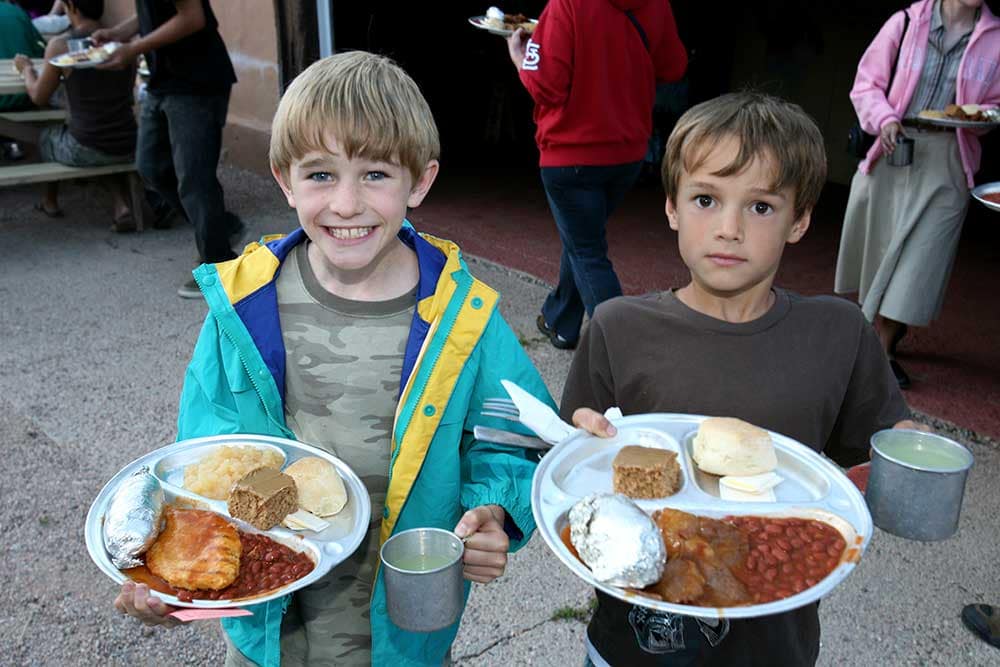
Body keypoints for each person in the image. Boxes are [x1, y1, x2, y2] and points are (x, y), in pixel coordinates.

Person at [112, 51, 553, 666]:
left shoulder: (464, 320)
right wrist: (170, 575)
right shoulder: (242, 308)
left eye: (375, 174)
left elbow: (516, 439)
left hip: (404, 633)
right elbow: (202, 460)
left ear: (419, 182)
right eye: (320, 174)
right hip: (269, 630)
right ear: (284, 178)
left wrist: (496, 512)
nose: (346, 204)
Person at [560, 91, 928, 666]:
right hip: (632, 643)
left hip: (775, 644)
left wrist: (908, 457)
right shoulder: (618, 327)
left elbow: (876, 464)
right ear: (672, 207)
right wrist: (577, 442)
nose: (729, 228)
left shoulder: (838, 333)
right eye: (706, 199)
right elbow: (570, 479)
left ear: (799, 220)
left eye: (760, 207)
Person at [834, 0, 1000, 389]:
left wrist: (980, 116)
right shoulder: (906, 22)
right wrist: (884, 119)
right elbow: (866, 84)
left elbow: (992, 107)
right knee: (879, 250)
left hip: (950, 155)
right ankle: (871, 336)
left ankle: (883, 349)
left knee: (922, 257)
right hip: (894, 143)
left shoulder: (995, 40)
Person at [506, 0, 687, 350]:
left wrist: (520, 57)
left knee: (587, 251)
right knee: (581, 239)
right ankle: (561, 322)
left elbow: (546, 86)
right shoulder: (658, 5)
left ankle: (624, 352)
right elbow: (673, 66)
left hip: (570, 155)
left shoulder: (566, 5)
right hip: (627, 154)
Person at [91, 0, 243, 298]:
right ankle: (221, 226)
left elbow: (192, 17)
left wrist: (133, 49)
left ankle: (218, 264)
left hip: (196, 81)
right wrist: (118, 33)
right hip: (163, 80)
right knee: (152, 167)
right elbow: (154, 10)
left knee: (194, 179)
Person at [13, 0, 137, 228]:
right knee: (101, 138)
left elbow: (38, 96)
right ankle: (122, 205)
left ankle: (49, 201)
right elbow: (126, 93)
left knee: (47, 137)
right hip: (129, 142)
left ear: (72, 7)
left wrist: (26, 69)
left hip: (87, 147)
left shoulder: (61, 46)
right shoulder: (124, 42)